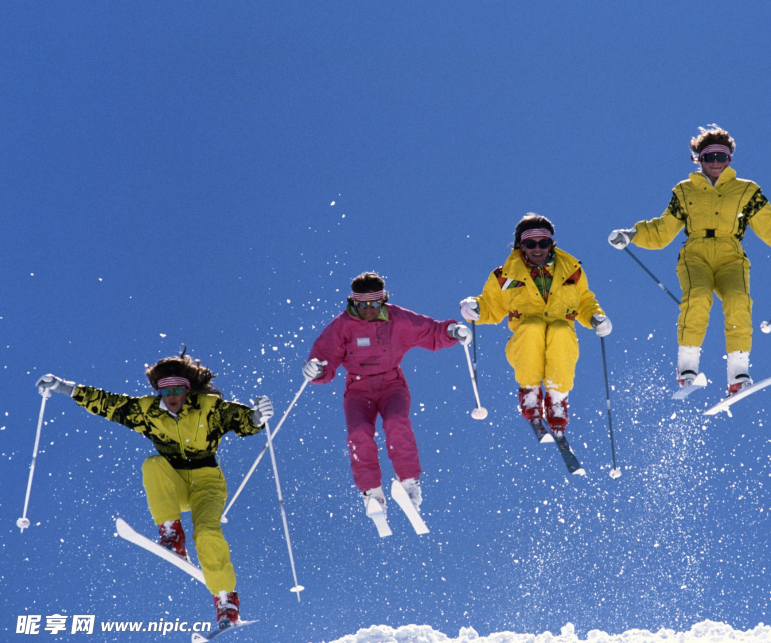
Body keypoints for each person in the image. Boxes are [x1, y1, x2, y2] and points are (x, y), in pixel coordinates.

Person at [35, 352, 273, 630]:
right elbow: (109, 404)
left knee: (208, 533)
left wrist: (257, 417)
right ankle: (172, 533)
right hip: (173, 482)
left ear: (187, 389)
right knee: (153, 464)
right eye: (165, 390)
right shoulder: (147, 411)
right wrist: (62, 386)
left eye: (177, 389)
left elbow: (240, 421)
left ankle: (225, 599)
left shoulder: (209, 407)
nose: (171, 396)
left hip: (207, 483)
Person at [608, 124, 771, 394]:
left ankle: (738, 373)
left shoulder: (746, 191)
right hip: (696, 253)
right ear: (698, 159)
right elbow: (661, 230)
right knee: (698, 296)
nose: (716, 163)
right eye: (709, 157)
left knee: (739, 302)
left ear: (730, 159)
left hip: (730, 254)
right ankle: (687, 367)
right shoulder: (685, 191)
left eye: (721, 157)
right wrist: (630, 235)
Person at [303, 272, 470, 518]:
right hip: (358, 390)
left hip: (392, 383)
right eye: (362, 305)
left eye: (374, 304)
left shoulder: (397, 319)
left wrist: (452, 332)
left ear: (382, 301)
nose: (368, 310)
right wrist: (316, 369)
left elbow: (430, 331)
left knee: (396, 423)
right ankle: (372, 493)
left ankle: (410, 484)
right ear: (353, 302)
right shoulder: (342, 326)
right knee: (359, 433)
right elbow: (324, 358)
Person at [459, 213, 611, 439]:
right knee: (533, 325)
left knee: (560, 328)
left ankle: (557, 399)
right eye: (530, 243)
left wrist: (596, 317)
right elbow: (491, 307)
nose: (537, 249)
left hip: (561, 345)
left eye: (543, 243)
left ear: (551, 244)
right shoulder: (504, 276)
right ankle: (530, 393)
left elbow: (585, 301)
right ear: (521, 245)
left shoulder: (571, 271)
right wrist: (474, 307)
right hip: (524, 346)